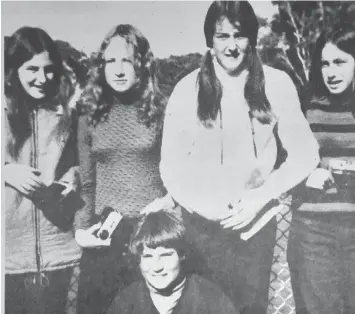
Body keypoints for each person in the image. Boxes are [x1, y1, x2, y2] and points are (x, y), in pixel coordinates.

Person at [143, 1, 320, 313]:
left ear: (251, 38)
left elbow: (306, 153)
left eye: (239, 36)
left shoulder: (276, 83)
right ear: (210, 40)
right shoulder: (187, 89)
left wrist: (260, 197)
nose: (232, 46)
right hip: (201, 230)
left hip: (255, 227)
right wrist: (204, 207)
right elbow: (170, 165)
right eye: (222, 36)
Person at [75, 24, 166, 314]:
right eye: (110, 61)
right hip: (105, 235)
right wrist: (80, 229)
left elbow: (176, 175)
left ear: (142, 63)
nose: (118, 70)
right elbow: (87, 183)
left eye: (126, 60)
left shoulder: (161, 110)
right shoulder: (89, 115)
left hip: (150, 235)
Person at [4, 26, 82, 314]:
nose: (42, 78)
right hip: (8, 259)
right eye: (32, 69)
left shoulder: (65, 113)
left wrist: (72, 180)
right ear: (14, 69)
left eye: (49, 69)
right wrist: (5, 171)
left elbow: (77, 162)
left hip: (57, 254)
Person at [287, 24, 355, 314]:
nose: (331, 72)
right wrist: (304, 174)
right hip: (314, 233)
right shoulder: (305, 106)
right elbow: (279, 162)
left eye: (340, 62)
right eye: (325, 63)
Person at [107, 209, 239, 314]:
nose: (157, 267)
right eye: (148, 257)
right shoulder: (127, 301)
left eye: (165, 255)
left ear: (182, 255)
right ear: (138, 260)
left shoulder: (209, 298)